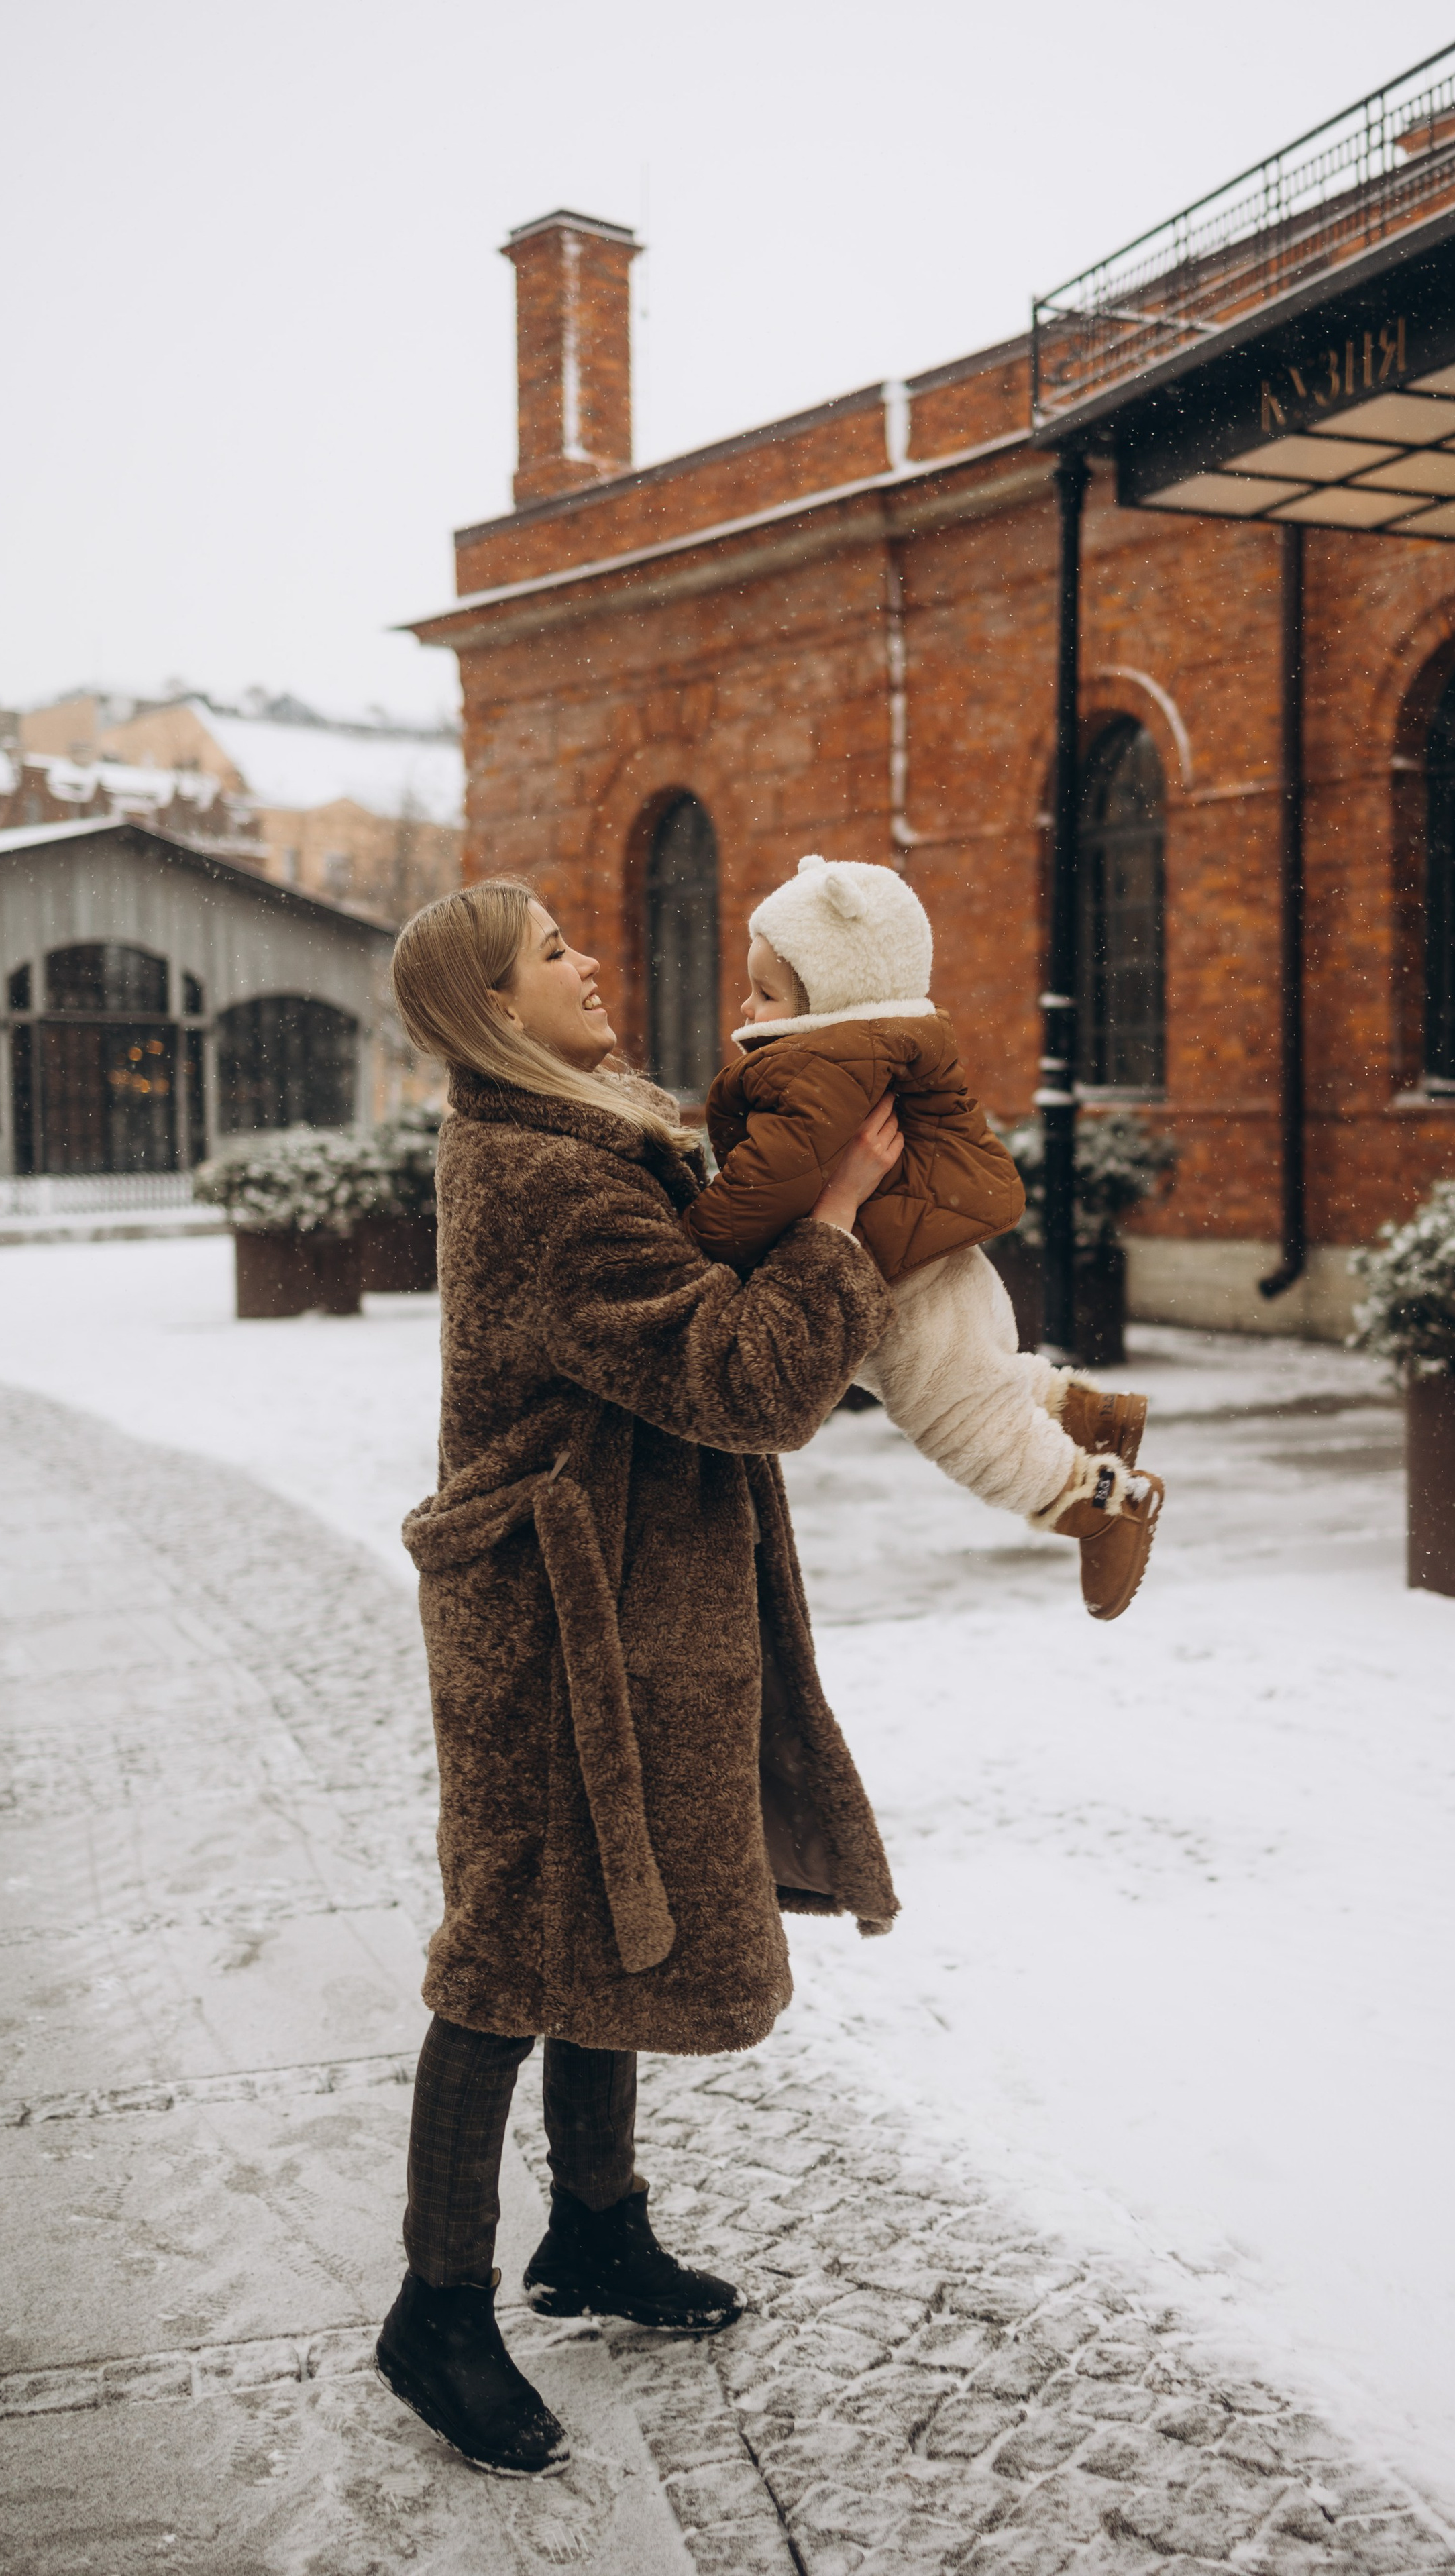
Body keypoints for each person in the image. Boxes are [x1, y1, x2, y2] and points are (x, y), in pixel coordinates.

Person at [379, 875, 904, 2477]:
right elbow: (736, 1371)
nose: (589, 961)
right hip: (554, 1621)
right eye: (551, 954)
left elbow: (706, 1343)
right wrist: (829, 1226)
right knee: (507, 1941)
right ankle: (436, 2307)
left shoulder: (585, 1140)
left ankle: (596, 2228)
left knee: (601, 1906)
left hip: (610, 1587)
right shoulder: (549, 1179)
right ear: (491, 1007)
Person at [684, 855, 1165, 1623]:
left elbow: (769, 1182)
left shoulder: (824, 1063)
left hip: (893, 1268)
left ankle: (1096, 1502)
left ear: (835, 988)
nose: (744, 1009)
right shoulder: (875, 1042)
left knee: (955, 1416)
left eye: (765, 992)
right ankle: (1083, 1412)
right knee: (967, 1370)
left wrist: (697, 1244)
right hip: (917, 1246)